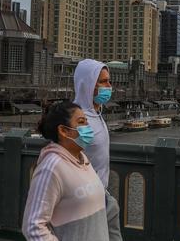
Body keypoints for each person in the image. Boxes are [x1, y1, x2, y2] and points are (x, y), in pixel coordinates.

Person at [22, 101, 108, 241]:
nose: (88, 127)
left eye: (87, 121)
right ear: (63, 131)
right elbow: (33, 227)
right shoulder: (51, 168)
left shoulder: (83, 160)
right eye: (81, 122)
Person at [73, 59, 122, 241]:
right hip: (84, 201)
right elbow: (65, 157)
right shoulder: (78, 119)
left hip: (102, 197)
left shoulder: (96, 114)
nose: (109, 86)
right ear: (87, 84)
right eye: (103, 81)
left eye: (109, 81)